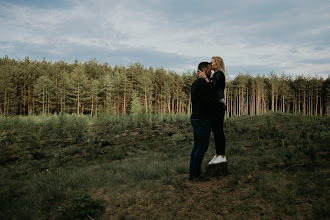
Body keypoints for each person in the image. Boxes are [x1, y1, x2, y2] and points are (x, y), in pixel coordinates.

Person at [198, 56, 227, 165]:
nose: (210, 64)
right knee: (216, 130)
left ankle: (222, 155)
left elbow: (213, 88)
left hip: (218, 106)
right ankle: (218, 154)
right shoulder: (216, 75)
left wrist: (205, 77)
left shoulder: (219, 74)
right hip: (217, 105)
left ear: (217, 63)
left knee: (218, 130)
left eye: (211, 62)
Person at [189, 62, 213, 181]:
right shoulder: (203, 84)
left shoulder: (194, 83)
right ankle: (195, 175)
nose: (211, 71)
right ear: (204, 70)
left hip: (195, 117)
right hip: (202, 119)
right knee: (201, 147)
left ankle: (192, 173)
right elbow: (209, 99)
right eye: (209, 70)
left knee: (196, 146)